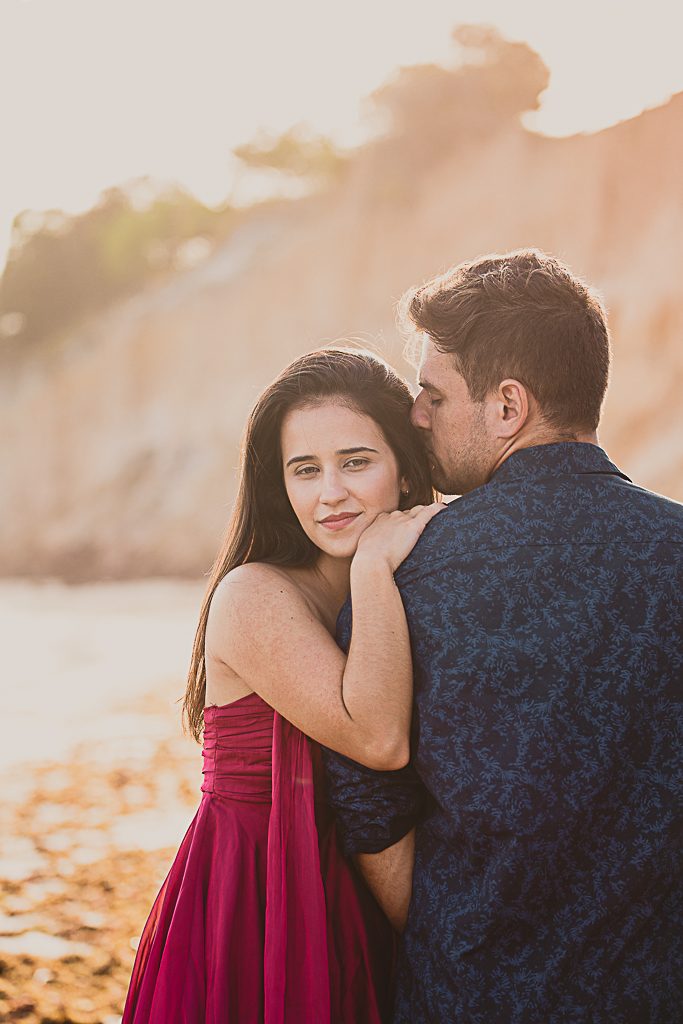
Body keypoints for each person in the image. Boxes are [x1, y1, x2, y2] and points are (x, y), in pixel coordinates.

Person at [323, 250, 683, 1023]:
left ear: (507, 406)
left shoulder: (402, 575)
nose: (414, 416)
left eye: (432, 395)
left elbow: (366, 802)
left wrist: (456, 936)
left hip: (471, 993)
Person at [121, 348, 441, 1024]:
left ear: (405, 469)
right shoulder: (253, 595)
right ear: (280, 487)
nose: (330, 492)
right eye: (305, 470)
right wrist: (375, 570)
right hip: (258, 893)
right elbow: (378, 739)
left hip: (358, 879)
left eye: (355, 461)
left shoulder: (416, 585)